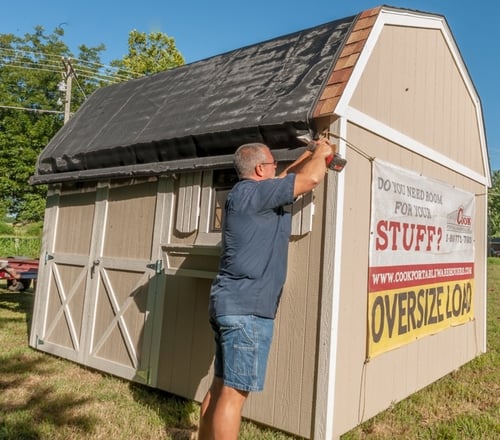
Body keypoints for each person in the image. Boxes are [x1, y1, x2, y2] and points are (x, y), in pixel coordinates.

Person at [198, 138, 335, 440]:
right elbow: (310, 178)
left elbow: (286, 176)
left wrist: (308, 153)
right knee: (234, 396)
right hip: (248, 310)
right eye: (272, 164)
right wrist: (324, 153)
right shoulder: (259, 194)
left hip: (228, 304)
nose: (278, 168)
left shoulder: (244, 193)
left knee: (220, 386)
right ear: (260, 168)